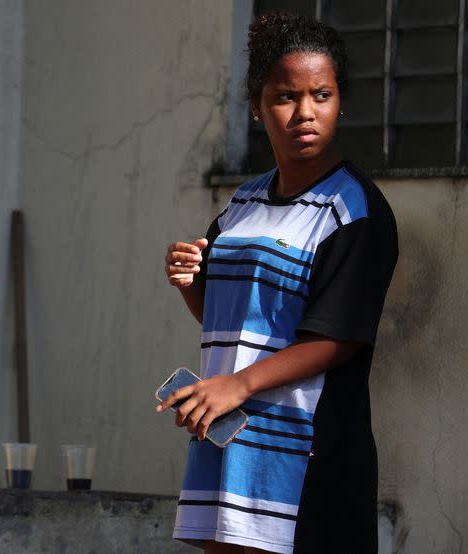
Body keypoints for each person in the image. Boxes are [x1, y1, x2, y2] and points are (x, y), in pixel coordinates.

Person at [159, 11, 397, 554]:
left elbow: (340, 337)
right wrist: (188, 283)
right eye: (287, 96)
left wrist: (236, 385)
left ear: (340, 102)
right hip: (232, 437)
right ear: (257, 105)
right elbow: (236, 317)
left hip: (308, 450)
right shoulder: (242, 204)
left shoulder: (355, 211)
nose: (305, 113)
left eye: (322, 95)